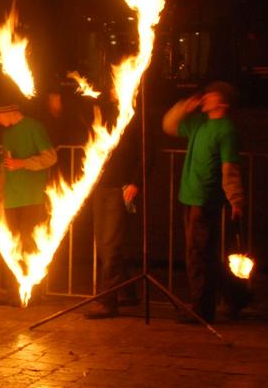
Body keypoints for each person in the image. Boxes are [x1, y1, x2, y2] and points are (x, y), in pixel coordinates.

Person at [162, 80, 250, 323]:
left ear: (222, 102)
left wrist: (236, 199)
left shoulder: (226, 130)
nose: (205, 98)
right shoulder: (199, 124)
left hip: (205, 198)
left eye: (210, 96)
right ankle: (236, 296)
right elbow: (168, 125)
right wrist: (184, 107)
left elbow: (229, 167)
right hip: (188, 196)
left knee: (198, 254)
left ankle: (202, 308)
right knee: (204, 254)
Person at [0, 96, 57, 303]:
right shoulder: (6, 134)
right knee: (12, 245)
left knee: (31, 244)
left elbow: (50, 157)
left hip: (32, 196)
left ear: (8, 111)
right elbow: (5, 168)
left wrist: (23, 163)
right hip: (11, 198)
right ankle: (14, 293)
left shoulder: (34, 127)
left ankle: (32, 293)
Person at [84, 121, 141, 319]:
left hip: (120, 189)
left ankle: (107, 302)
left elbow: (147, 153)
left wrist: (136, 181)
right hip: (101, 187)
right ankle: (127, 291)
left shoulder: (134, 119)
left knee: (110, 245)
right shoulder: (106, 116)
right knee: (105, 246)